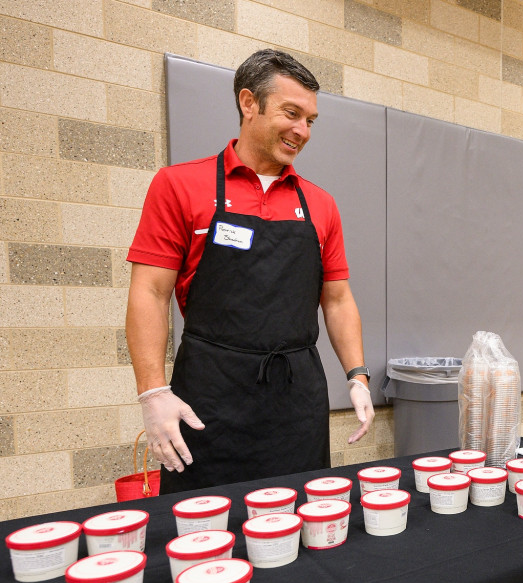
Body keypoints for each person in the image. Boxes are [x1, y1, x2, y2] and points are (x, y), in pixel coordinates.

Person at [126, 49, 374, 494]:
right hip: (209, 397)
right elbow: (149, 292)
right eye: (291, 113)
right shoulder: (180, 185)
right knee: (207, 530)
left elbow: (337, 299)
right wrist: (152, 392)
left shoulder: (320, 204)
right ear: (248, 103)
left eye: (311, 120)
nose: (302, 131)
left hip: (296, 400)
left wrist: (357, 375)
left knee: (299, 523)